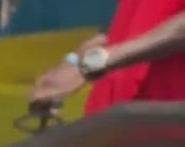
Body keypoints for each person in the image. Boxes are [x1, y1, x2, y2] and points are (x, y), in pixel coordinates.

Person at [30, 0, 185, 114]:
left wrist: (92, 64)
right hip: (113, 121)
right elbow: (132, 22)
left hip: (163, 121)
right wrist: (72, 62)